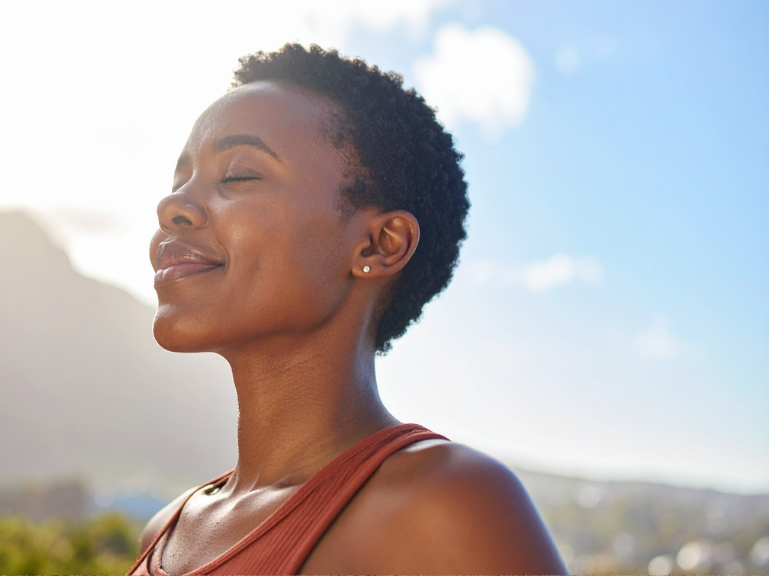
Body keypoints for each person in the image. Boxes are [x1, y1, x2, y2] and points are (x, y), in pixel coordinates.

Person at [129, 44, 566, 575]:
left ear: (379, 245)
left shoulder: (444, 505)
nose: (170, 206)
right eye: (180, 182)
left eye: (238, 175)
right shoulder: (167, 530)